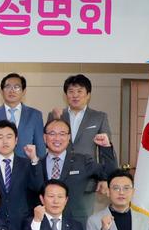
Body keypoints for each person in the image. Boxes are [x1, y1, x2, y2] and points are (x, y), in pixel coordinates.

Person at [47, 74, 116, 217]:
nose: (75, 95)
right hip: (58, 178)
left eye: (79, 91)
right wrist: (56, 120)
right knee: (55, 218)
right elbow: (48, 142)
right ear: (66, 95)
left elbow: (104, 148)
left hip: (87, 180)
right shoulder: (56, 115)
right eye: (71, 91)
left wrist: (103, 178)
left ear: (88, 95)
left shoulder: (99, 117)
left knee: (83, 220)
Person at [33, 118, 117, 224]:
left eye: (62, 134)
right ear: (45, 137)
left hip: (75, 223)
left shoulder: (82, 161)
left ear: (69, 138)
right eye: (52, 134)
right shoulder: (35, 164)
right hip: (43, 223)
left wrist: (106, 147)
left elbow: (110, 174)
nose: (57, 138)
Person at [0, 120, 43, 224]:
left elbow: (37, 187)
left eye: (9, 137)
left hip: (22, 222)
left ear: (16, 140)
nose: (5, 141)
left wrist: (34, 159)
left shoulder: (27, 164)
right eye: (0, 137)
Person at [0, 73, 45, 160]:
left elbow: (41, 149)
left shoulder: (35, 115)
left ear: (23, 91)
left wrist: (36, 165)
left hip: (26, 165)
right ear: (1, 91)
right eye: (8, 87)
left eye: (17, 87)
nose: (12, 90)